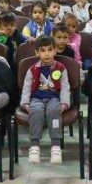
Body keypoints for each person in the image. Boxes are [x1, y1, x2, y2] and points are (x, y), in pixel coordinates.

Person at [20, 35, 71, 165]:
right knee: (36, 111)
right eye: (42, 50)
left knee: (54, 111)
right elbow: (26, 87)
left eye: (50, 50)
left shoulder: (61, 68)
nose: (47, 53)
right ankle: (34, 145)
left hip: (54, 98)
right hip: (36, 98)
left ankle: (56, 146)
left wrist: (65, 103)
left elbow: (65, 87)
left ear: (55, 51)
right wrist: (25, 103)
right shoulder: (32, 69)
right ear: (37, 52)